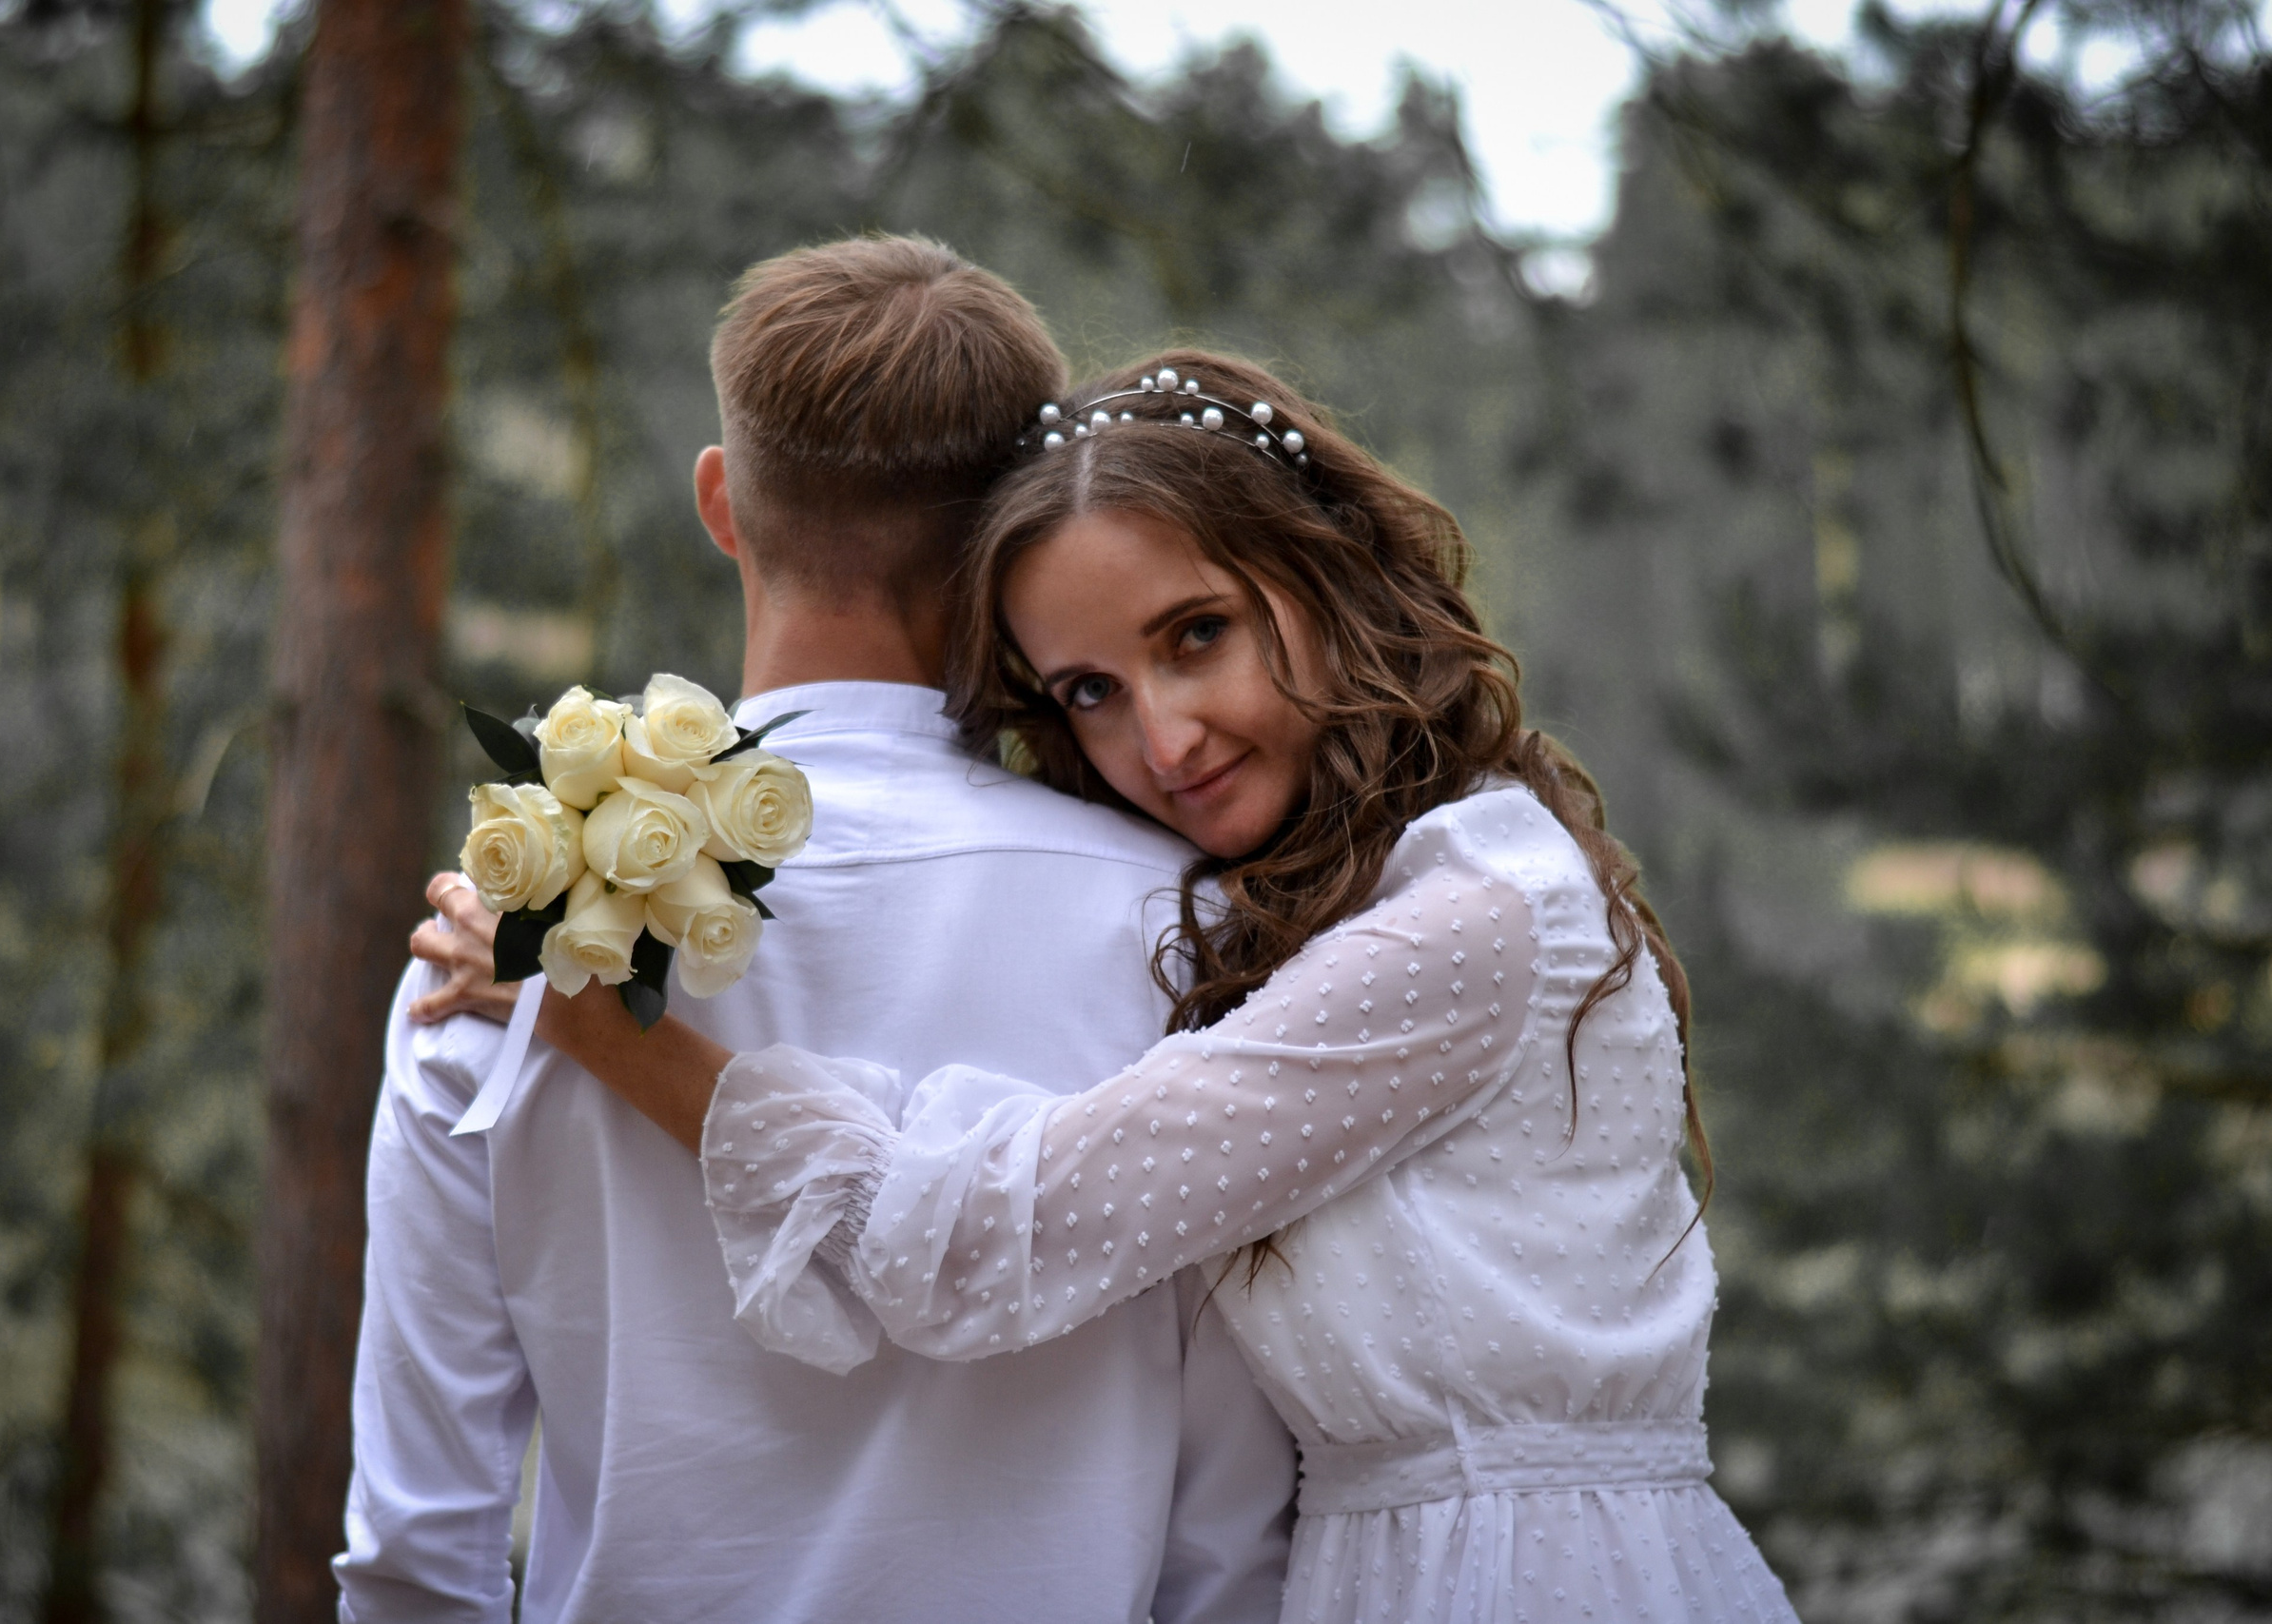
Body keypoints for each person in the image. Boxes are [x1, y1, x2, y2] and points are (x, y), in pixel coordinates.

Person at [503, 350, 1806, 1623]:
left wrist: (609, 1029)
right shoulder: (1336, 911)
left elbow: (981, 1243)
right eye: (1092, 692)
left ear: (1325, 567)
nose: (1164, 740)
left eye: (1198, 635)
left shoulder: (1473, 919)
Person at [338, 245, 1297, 1622]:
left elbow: (416, 1554)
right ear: (1009, 535)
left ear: (721, 502)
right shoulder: (1189, 932)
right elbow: (1231, 1548)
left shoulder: (514, 936)